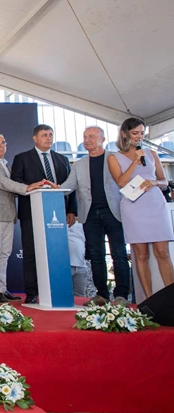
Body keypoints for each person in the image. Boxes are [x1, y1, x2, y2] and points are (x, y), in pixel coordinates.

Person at [59, 126, 130, 306]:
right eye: (85, 137)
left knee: (119, 254)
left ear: (102, 139)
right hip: (89, 214)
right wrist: (52, 188)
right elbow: (69, 186)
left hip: (114, 212)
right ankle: (102, 295)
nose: (87, 140)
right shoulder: (79, 164)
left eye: (91, 136)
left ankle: (121, 295)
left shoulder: (115, 158)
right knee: (96, 256)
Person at [108, 117, 174, 298]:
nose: (139, 137)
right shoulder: (114, 157)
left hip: (155, 204)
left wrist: (154, 182)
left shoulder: (152, 154)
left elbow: (164, 180)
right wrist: (134, 162)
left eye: (142, 133)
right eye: (135, 133)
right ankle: (149, 299)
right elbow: (121, 182)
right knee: (141, 254)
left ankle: (170, 298)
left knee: (163, 252)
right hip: (133, 206)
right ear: (124, 134)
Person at [10, 124, 76, 304]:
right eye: (44, 135)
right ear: (35, 138)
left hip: (57, 212)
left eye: (50, 135)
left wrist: (71, 210)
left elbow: (71, 186)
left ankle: (57, 288)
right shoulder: (22, 158)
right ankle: (32, 292)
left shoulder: (62, 159)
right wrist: (33, 186)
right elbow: (16, 181)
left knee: (57, 251)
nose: (48, 138)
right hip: (31, 212)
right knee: (31, 252)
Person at [0, 134, 42, 303]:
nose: (1, 145)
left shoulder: (5, 163)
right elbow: (0, 182)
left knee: (5, 253)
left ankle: (3, 288)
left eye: (3, 142)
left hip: (9, 213)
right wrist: (27, 188)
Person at [67, 222, 90, 297]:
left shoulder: (82, 225)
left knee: (80, 296)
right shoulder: (59, 225)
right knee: (63, 294)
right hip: (65, 267)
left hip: (81, 266)